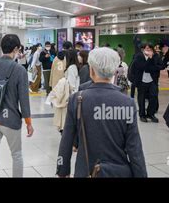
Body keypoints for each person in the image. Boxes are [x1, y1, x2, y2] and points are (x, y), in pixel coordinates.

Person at [56, 47, 147, 178]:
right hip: (118, 172)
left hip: (86, 171)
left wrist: (62, 170)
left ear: (91, 70)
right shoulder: (127, 102)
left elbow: (66, 141)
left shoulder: (77, 99)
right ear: (114, 71)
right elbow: (134, 149)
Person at [0, 34, 33, 177]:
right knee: (16, 155)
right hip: (11, 120)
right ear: (16, 49)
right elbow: (24, 99)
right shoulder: (19, 70)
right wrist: (28, 122)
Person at [132, 43, 162, 123]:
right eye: (146, 48)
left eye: (150, 49)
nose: (148, 50)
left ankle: (150, 113)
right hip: (141, 81)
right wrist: (150, 60)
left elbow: (161, 66)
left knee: (154, 97)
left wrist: (151, 67)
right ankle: (142, 115)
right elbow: (142, 67)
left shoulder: (156, 56)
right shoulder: (139, 57)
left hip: (153, 80)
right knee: (141, 98)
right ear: (143, 49)